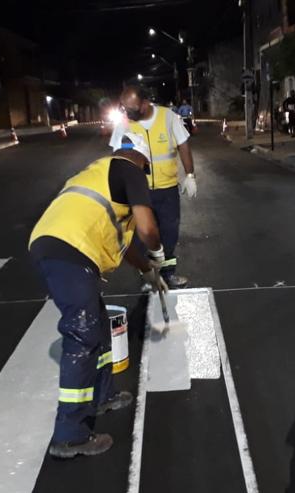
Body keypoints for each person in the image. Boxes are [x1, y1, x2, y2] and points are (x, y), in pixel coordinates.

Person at [30, 133, 169, 459]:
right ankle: (69, 435)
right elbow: (147, 229)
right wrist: (159, 252)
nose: (145, 178)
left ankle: (102, 395)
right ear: (142, 159)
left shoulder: (101, 178)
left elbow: (127, 244)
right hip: (67, 250)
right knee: (83, 335)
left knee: (99, 327)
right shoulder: (127, 168)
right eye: (147, 169)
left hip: (62, 248)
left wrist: (146, 269)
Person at [109, 85, 196, 289]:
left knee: (168, 235)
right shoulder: (124, 124)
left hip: (167, 190)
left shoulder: (168, 117)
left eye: (131, 108)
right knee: (141, 237)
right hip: (139, 191)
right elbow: (117, 156)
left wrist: (190, 175)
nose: (127, 113)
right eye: (125, 109)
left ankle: (167, 275)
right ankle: (148, 277)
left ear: (145, 103)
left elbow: (183, 145)